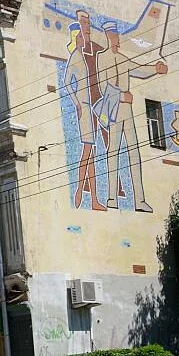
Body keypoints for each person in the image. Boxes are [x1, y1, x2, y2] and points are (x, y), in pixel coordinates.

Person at [99, 21, 167, 212]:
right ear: (108, 37)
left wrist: (156, 69)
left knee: (134, 151)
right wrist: (121, 95)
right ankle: (112, 197)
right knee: (113, 151)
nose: (117, 39)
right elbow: (102, 85)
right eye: (114, 35)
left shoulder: (123, 58)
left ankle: (140, 200)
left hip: (126, 109)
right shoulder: (101, 58)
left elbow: (140, 69)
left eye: (118, 36)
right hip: (113, 108)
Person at [62, 11, 108, 210]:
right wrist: (78, 104)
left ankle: (92, 197)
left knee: (90, 153)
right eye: (80, 35)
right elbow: (67, 83)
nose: (83, 36)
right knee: (87, 152)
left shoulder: (84, 55)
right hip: (85, 108)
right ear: (76, 38)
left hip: (92, 106)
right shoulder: (75, 57)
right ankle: (82, 191)